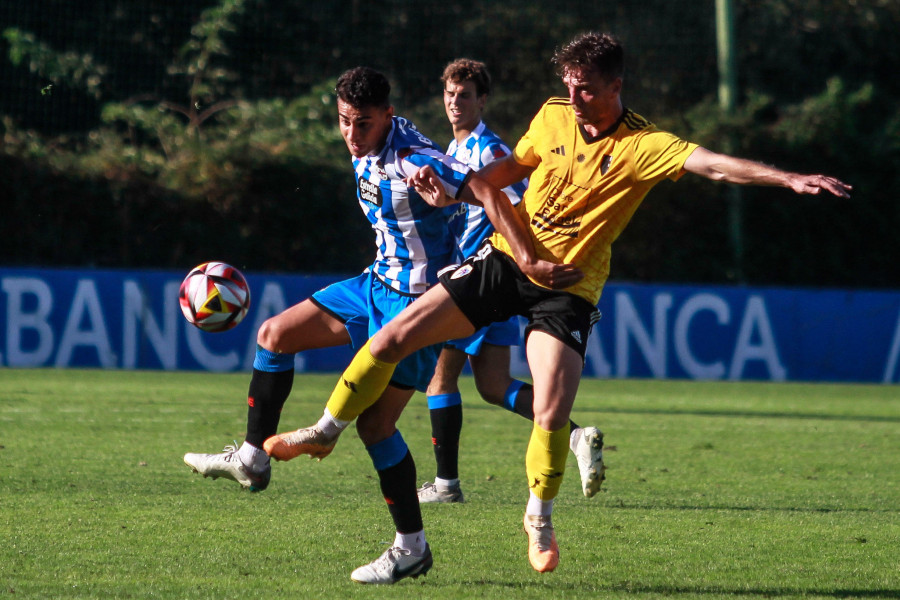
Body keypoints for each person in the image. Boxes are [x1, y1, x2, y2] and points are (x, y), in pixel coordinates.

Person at [265, 32, 852, 579]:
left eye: (586, 87)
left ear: (616, 87)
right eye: (568, 83)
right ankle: (323, 430)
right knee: (391, 339)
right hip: (505, 263)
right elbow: (503, 175)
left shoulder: (643, 145)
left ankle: (538, 519)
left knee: (549, 406)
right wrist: (454, 194)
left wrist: (788, 179)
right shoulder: (551, 117)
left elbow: (714, 166)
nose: (573, 96)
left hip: (567, 288)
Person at [184, 65, 562, 584]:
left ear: (387, 116)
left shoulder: (416, 158)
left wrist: (524, 256)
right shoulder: (370, 143)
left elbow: (493, 195)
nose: (351, 134)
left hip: (418, 308)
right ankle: (253, 458)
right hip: (373, 285)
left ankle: (412, 547)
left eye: (362, 124)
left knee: (375, 426)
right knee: (274, 335)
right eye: (343, 121)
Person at [418, 58, 604, 505]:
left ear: (483, 100)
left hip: (486, 278)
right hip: (485, 275)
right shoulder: (455, 148)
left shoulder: (492, 152)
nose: (455, 103)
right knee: (493, 386)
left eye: (465, 95)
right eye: (449, 94)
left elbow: (516, 206)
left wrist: (517, 260)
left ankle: (446, 486)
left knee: (440, 381)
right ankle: (575, 437)